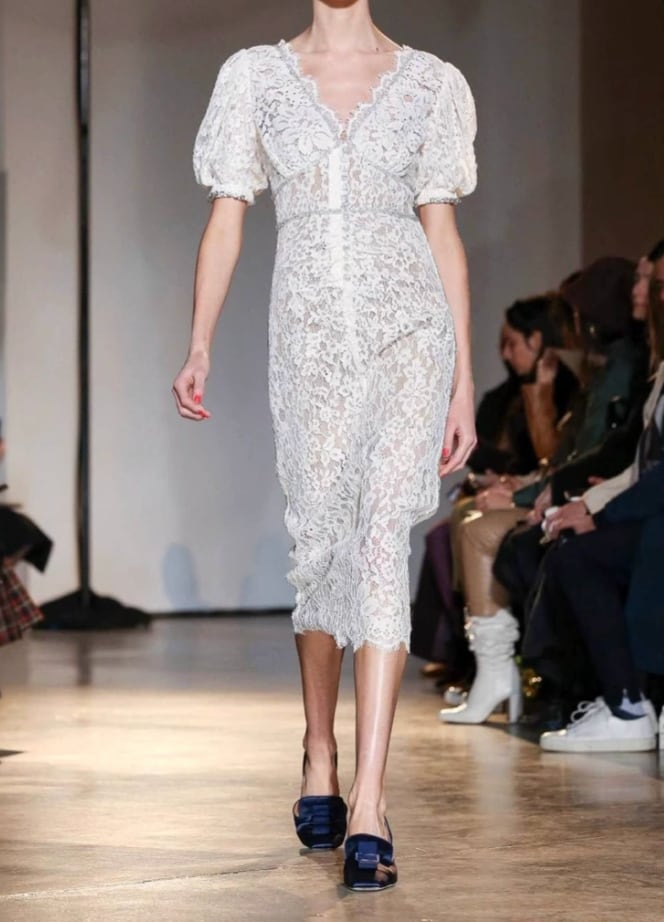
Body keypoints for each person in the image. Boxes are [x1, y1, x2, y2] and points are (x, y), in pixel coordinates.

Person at [172, 0, 478, 892]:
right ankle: (320, 750)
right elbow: (228, 215)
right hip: (308, 340)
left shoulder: (431, 83)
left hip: (409, 334)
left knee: (381, 543)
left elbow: (441, 230)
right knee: (322, 546)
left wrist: (462, 377)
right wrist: (199, 343)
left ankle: (372, 804)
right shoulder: (254, 77)